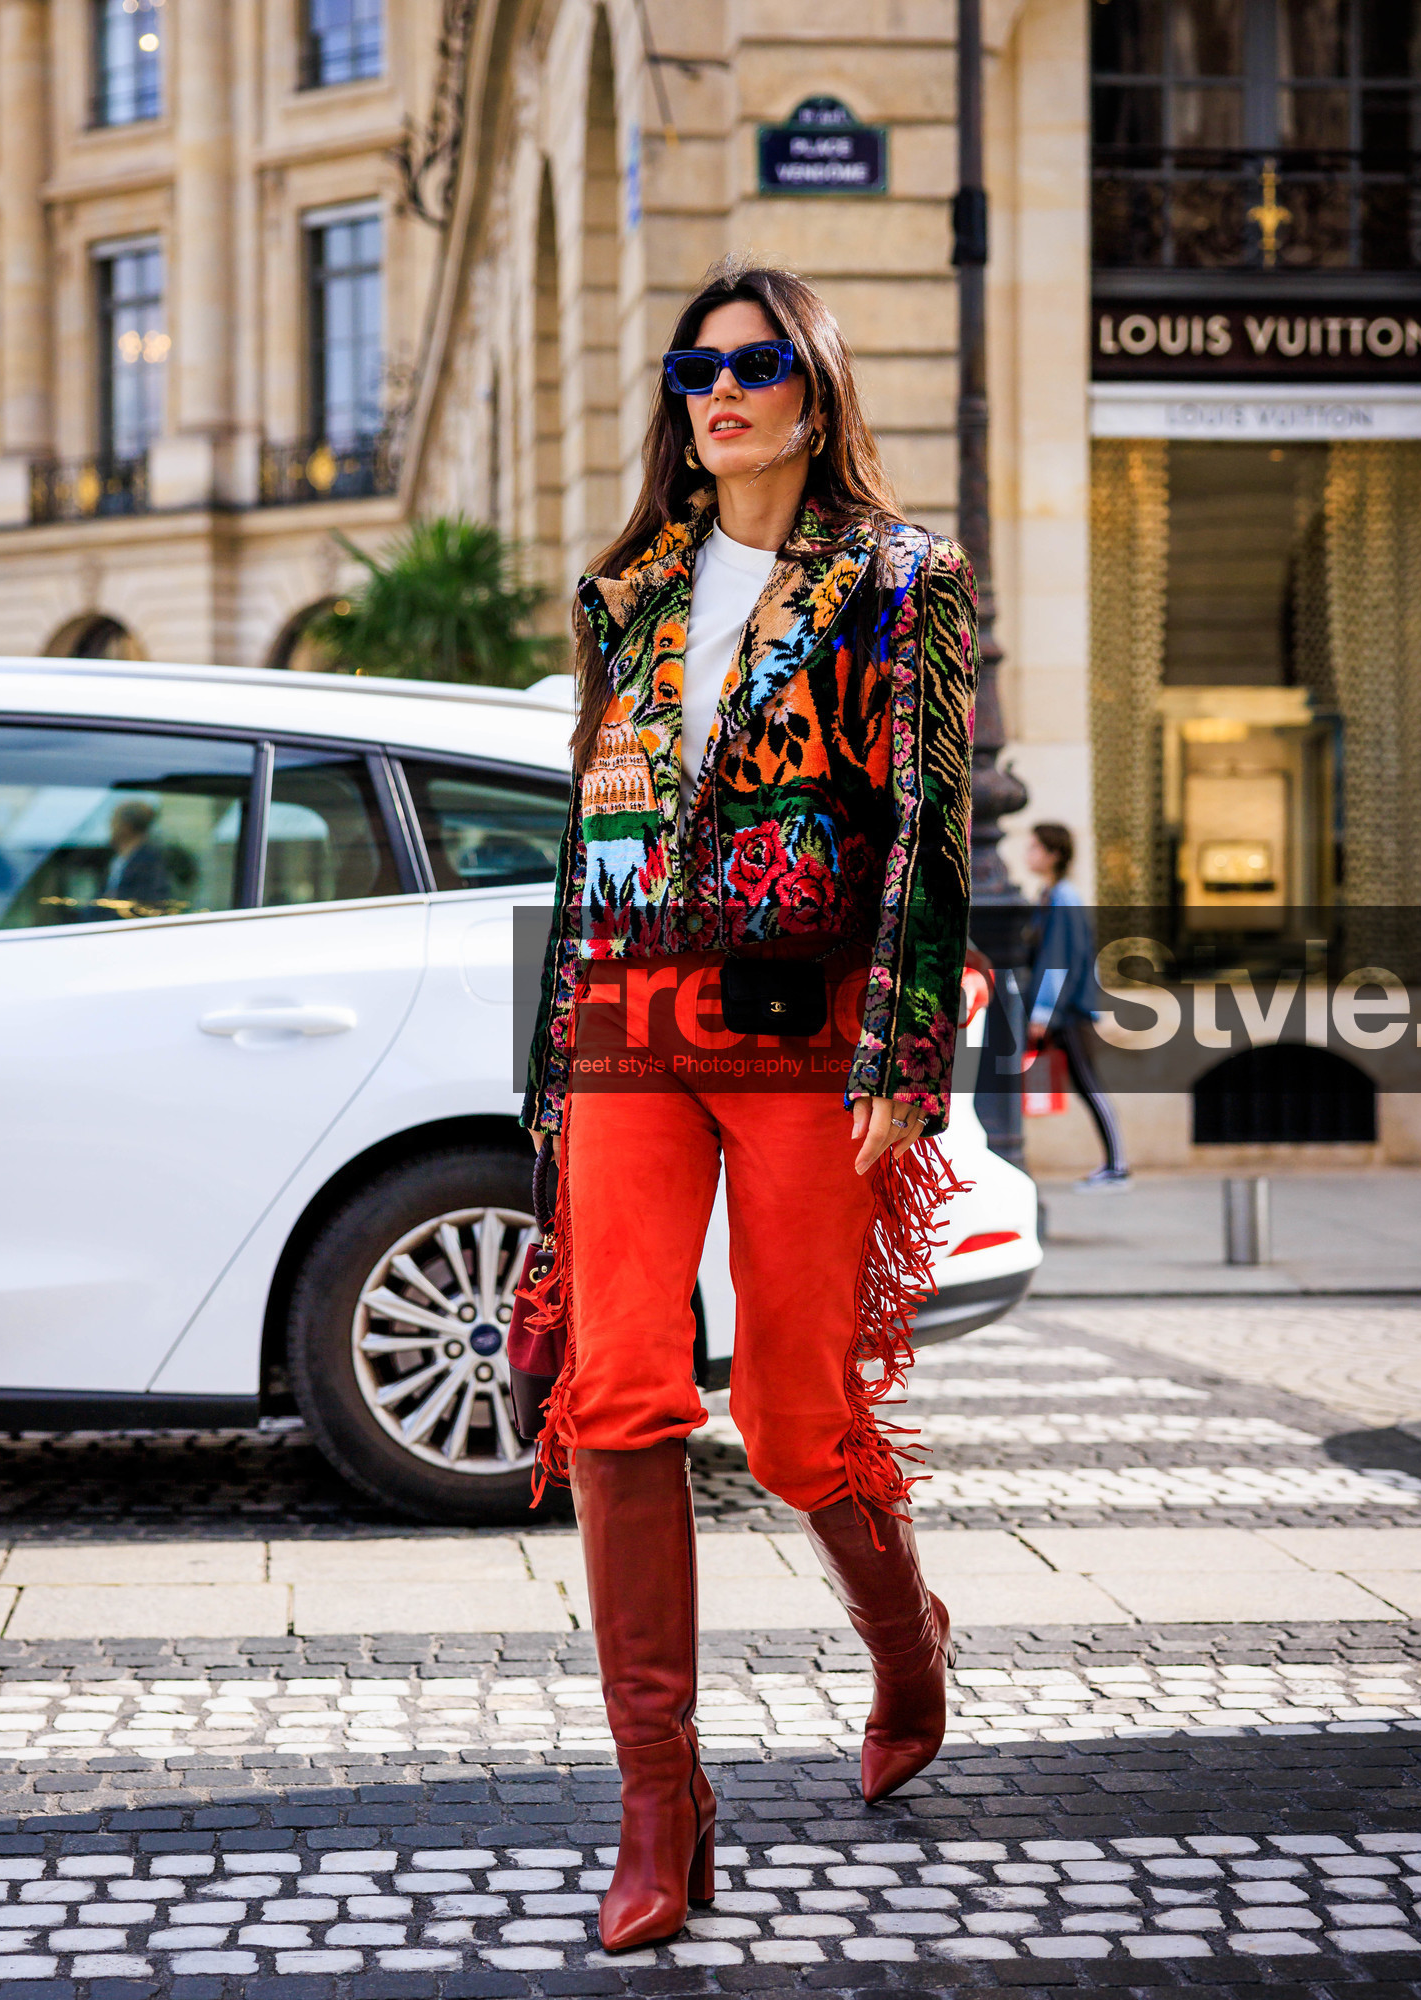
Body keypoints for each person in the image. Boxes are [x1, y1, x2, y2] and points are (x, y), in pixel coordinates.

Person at [521, 260, 979, 1952]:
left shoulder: (895, 580)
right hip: (633, 1019)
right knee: (620, 1388)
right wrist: (553, 1071)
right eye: (693, 369)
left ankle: (905, 1636)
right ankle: (662, 1800)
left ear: (813, 386)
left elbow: (933, 818)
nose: (720, 392)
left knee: (794, 1424)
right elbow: (593, 828)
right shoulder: (622, 590)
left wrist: (907, 1048)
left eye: (755, 364)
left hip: (809, 1033)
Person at [1025, 822, 1130, 1189]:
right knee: (1087, 1084)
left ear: (1054, 855)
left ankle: (1118, 1167)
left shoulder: (1063, 897)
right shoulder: (1051, 894)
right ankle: (1115, 1166)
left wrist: (1042, 1012)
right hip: (1065, 1009)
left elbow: (1060, 958)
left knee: (1090, 1084)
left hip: (1067, 1012)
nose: (1028, 854)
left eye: (1035, 847)